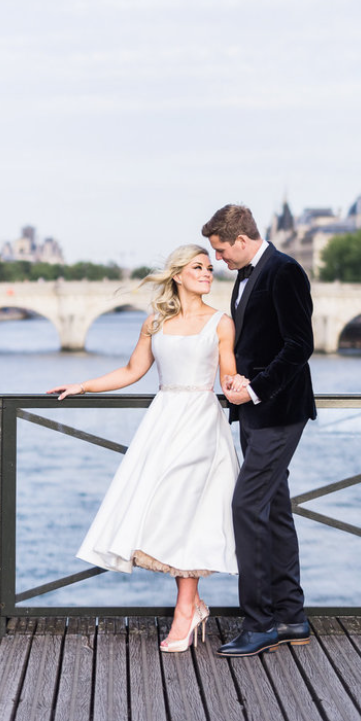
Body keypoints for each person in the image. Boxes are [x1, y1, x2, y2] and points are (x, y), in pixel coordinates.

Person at [48, 244, 239, 652]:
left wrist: (243, 390)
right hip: (163, 421)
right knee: (163, 508)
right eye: (198, 267)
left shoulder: (222, 323)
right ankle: (193, 603)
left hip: (202, 423)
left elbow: (229, 378)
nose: (207, 272)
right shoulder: (155, 322)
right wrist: (83, 385)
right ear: (177, 275)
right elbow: (133, 371)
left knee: (189, 507)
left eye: (209, 267)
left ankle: (184, 612)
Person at [201, 204, 316, 658]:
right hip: (256, 411)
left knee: (246, 506)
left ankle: (260, 623)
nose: (218, 259)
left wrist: (255, 390)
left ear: (243, 239)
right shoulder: (249, 272)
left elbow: (299, 346)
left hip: (279, 410)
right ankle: (291, 616)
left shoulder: (284, 271)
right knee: (275, 510)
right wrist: (237, 383)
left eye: (221, 249)